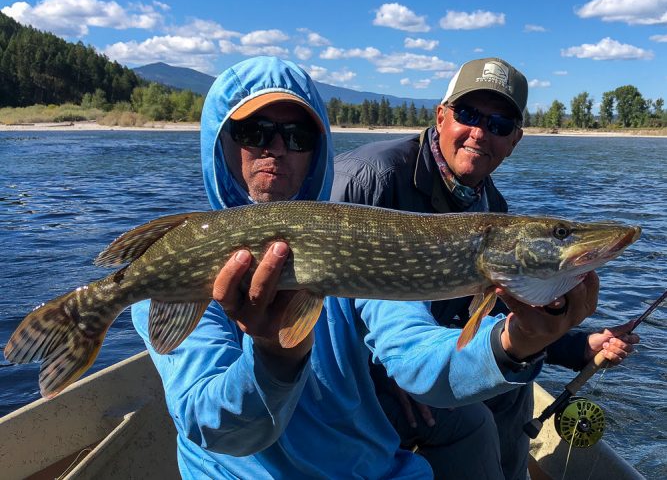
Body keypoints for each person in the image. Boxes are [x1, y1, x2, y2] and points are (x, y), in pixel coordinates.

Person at [131, 56, 602, 479]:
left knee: (495, 408)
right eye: (253, 132)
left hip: (374, 469)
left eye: (297, 137)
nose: (275, 149)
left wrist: (521, 340)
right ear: (220, 142)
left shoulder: (353, 239)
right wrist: (274, 356)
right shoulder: (183, 259)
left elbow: (416, 355)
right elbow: (215, 429)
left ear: (317, 151)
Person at [331, 57, 639, 479]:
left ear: (514, 140)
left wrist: (575, 345)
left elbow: (493, 312)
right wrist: (378, 378)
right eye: (468, 114)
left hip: (419, 357)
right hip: (351, 374)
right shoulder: (369, 178)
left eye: (498, 124)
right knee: (472, 426)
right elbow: (316, 293)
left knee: (515, 393)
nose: (480, 133)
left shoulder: (492, 208)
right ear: (441, 117)